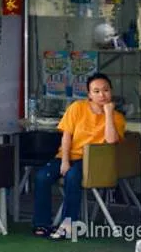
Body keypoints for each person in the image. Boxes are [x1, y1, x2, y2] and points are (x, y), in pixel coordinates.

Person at [32, 72, 126, 239]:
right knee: (41, 177)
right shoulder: (77, 107)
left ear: (111, 91)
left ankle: (68, 225)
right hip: (68, 155)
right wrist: (65, 161)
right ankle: (42, 224)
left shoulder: (117, 118)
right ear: (89, 94)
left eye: (105, 90)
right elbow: (67, 135)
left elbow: (111, 141)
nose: (102, 95)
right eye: (96, 91)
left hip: (93, 161)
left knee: (73, 177)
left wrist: (109, 114)